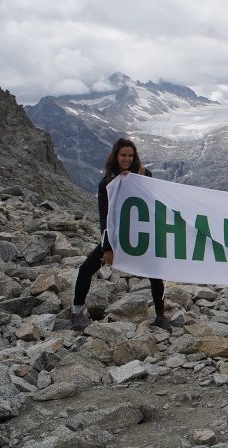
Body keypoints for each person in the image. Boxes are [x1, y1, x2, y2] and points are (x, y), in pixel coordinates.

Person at [70, 138, 171, 331]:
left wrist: (134, 178)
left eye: (130, 155)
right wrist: (107, 247)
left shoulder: (143, 174)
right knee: (85, 270)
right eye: (123, 155)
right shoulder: (106, 184)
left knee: (155, 273)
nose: (127, 159)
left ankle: (160, 315)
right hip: (117, 237)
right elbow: (105, 217)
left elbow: (154, 200)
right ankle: (76, 311)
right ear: (116, 156)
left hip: (140, 235)